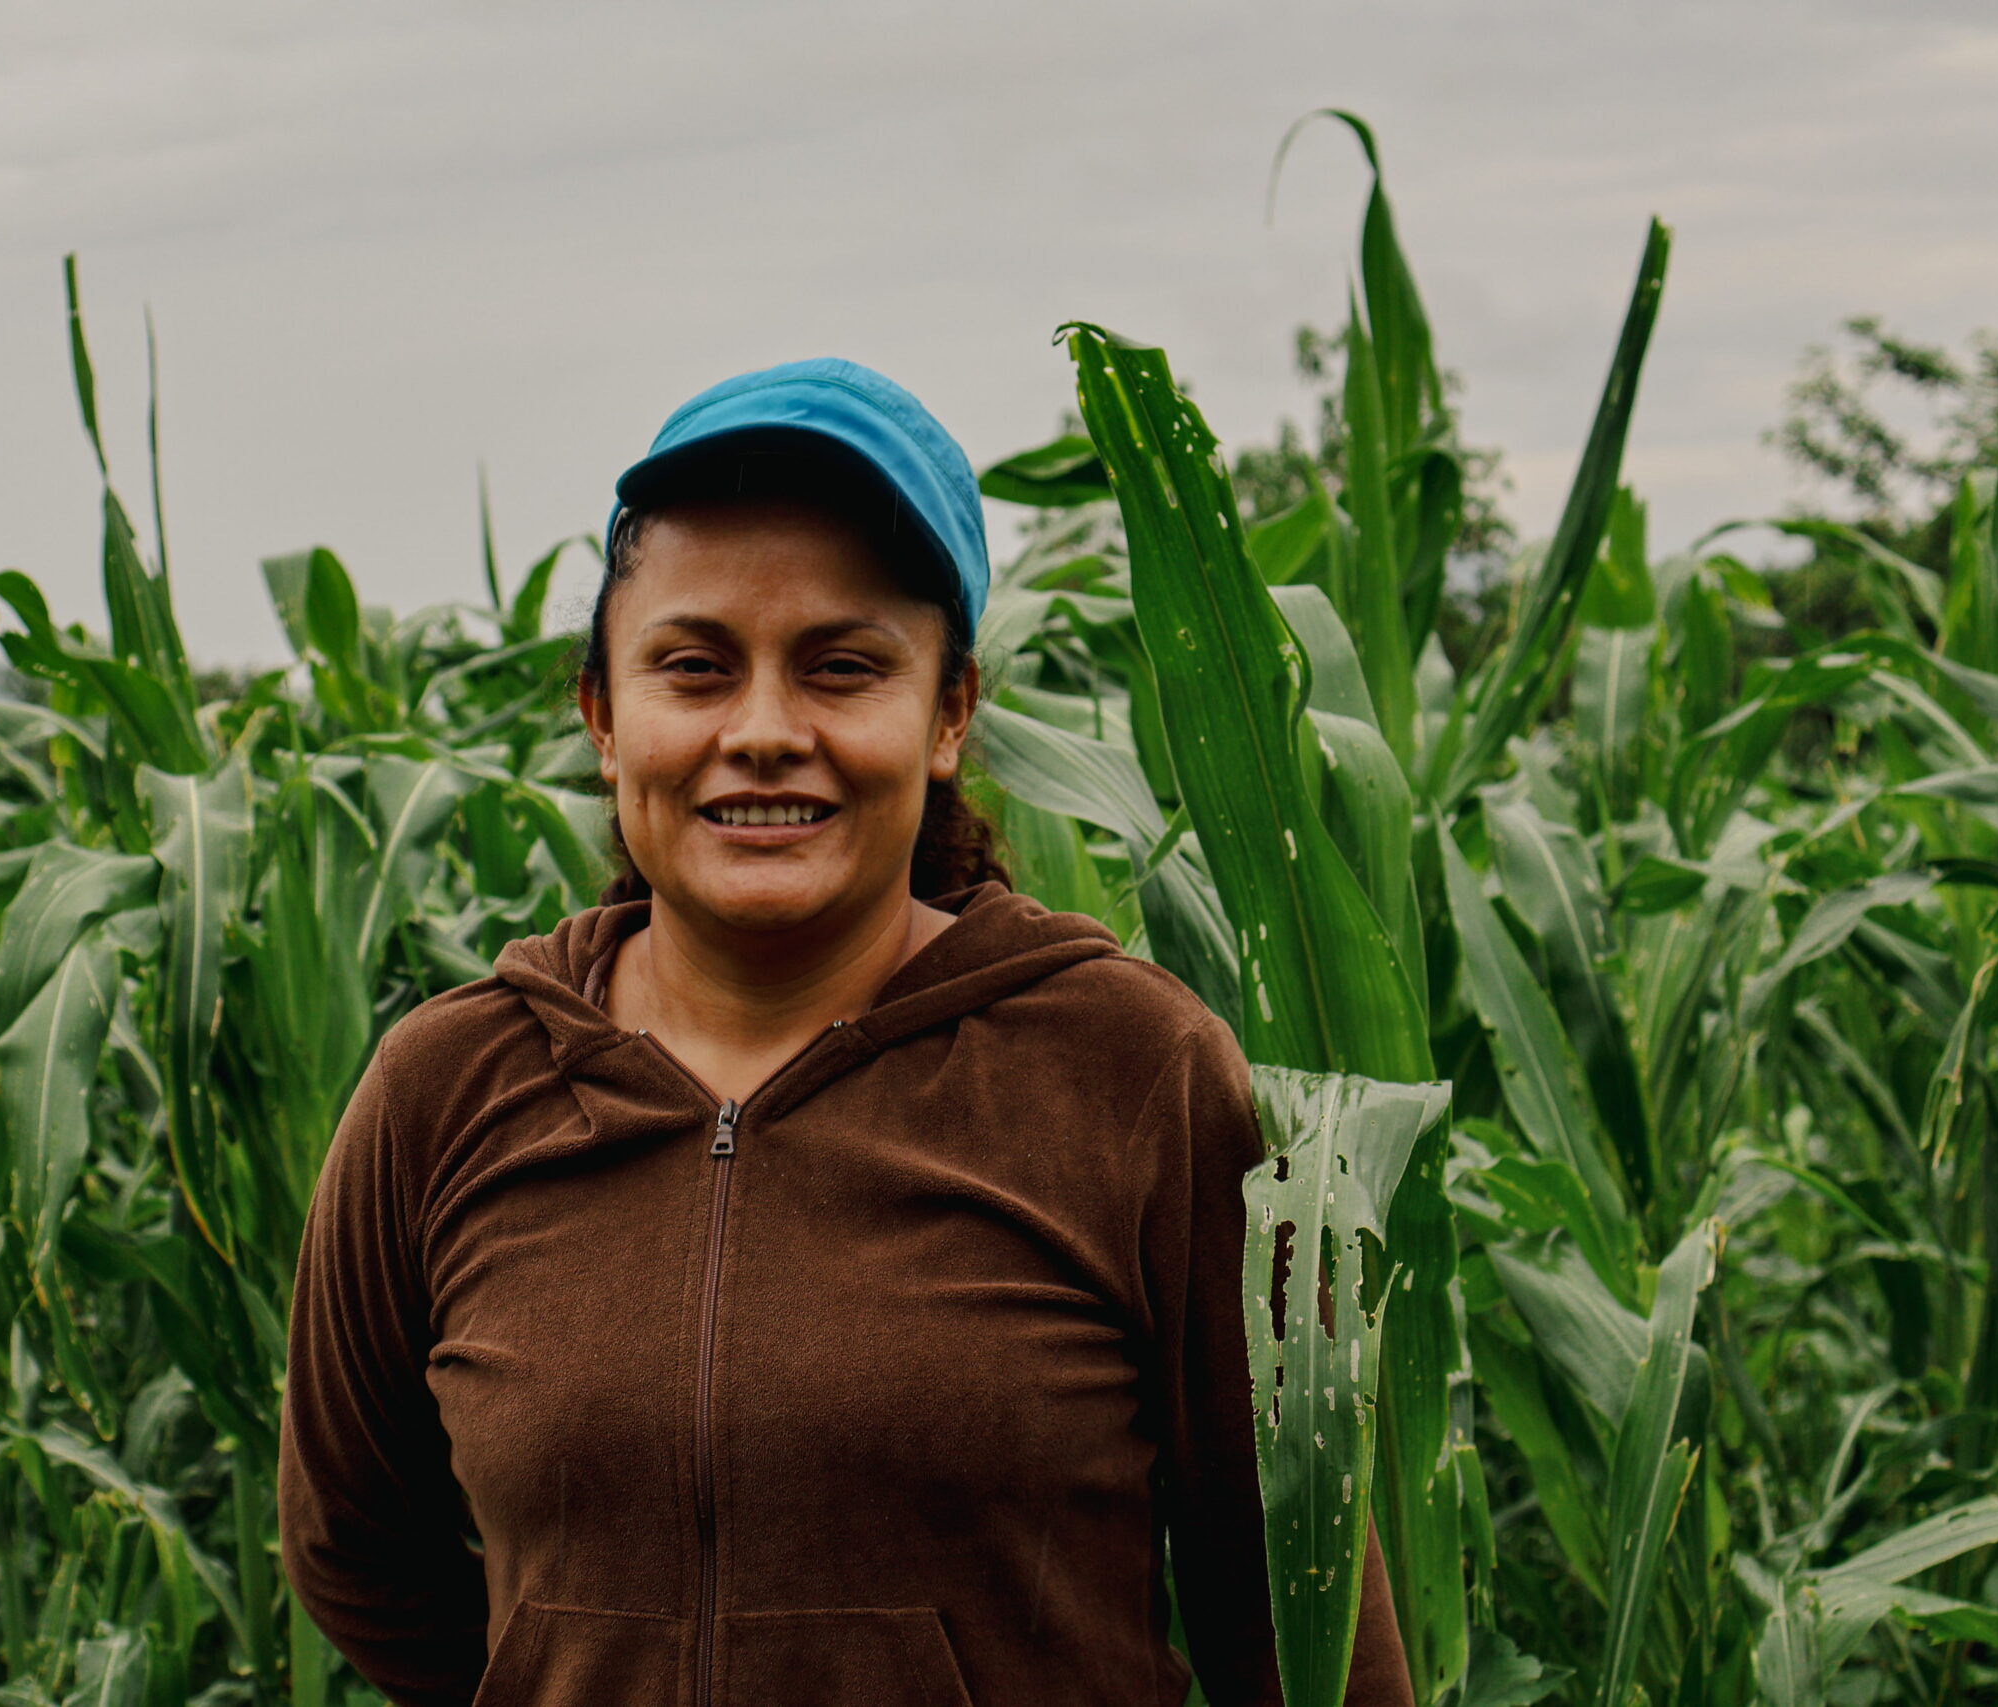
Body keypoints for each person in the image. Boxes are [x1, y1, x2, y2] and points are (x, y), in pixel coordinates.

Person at [276, 357, 1412, 1706]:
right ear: (603, 718)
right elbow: (351, 1545)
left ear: (949, 716)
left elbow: (1304, 1615)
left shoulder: (1135, 1075)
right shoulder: (447, 1089)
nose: (763, 732)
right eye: (694, 668)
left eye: (842, 668)